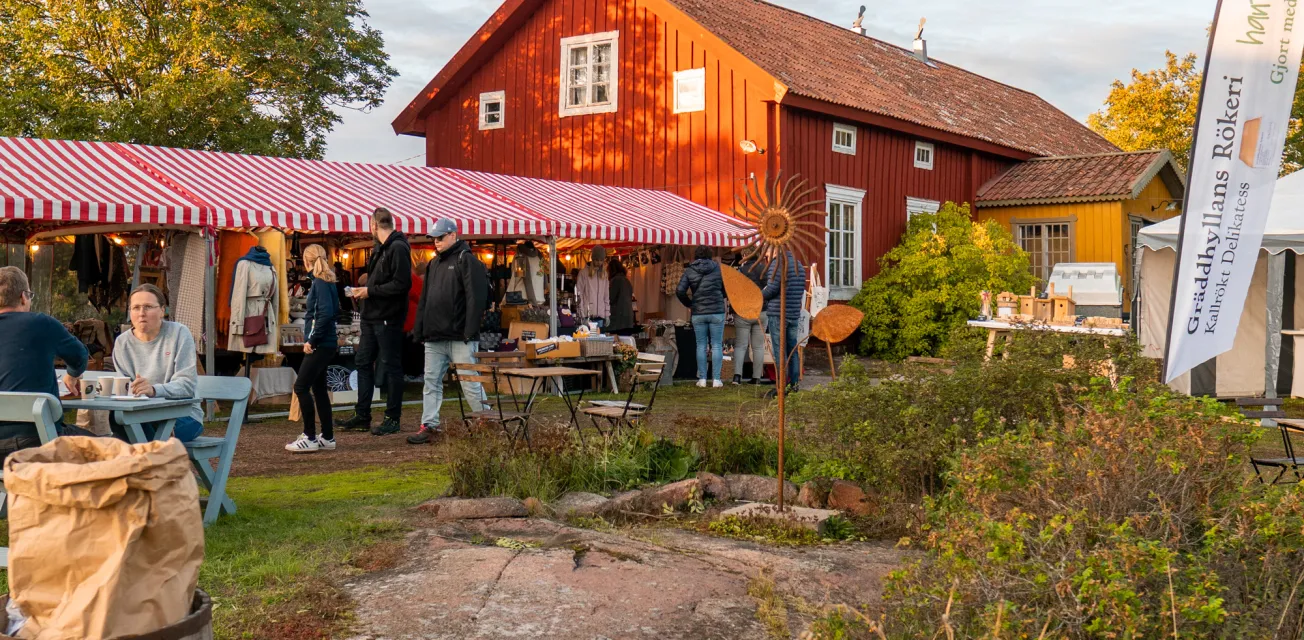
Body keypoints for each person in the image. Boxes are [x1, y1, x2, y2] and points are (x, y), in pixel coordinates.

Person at [408, 219, 491, 445]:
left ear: (453, 235)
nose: (436, 242)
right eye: (434, 238)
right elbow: (425, 299)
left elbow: (477, 298)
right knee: (432, 381)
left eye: (440, 237)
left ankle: (485, 419)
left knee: (469, 381)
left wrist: (470, 331)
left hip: (459, 336)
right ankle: (429, 424)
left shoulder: (467, 260)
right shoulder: (434, 264)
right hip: (436, 336)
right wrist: (420, 329)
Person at [0, 267, 90, 459]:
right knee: (115, 450)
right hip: (38, 442)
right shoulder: (41, 323)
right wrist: (72, 374)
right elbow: (80, 356)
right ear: (24, 297)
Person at [340, 208, 412, 436]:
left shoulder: (398, 248)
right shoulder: (380, 248)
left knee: (391, 365)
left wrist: (370, 291)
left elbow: (402, 284)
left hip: (388, 316)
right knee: (363, 361)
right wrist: (367, 291)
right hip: (372, 315)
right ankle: (362, 414)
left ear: (373, 225)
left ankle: (392, 417)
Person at [112, 284, 204, 442]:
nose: (141, 313)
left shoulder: (179, 334)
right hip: (141, 415)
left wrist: (153, 390)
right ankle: (153, 462)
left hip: (182, 415)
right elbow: (125, 388)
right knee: (116, 418)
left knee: (137, 434)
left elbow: (187, 385)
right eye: (136, 307)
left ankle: (151, 461)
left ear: (162, 310)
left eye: (148, 307)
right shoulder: (122, 343)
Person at [286, 245, 340, 453]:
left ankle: (309, 436)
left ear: (306, 262)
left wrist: (312, 340)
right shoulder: (327, 281)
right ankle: (327, 436)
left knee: (301, 387)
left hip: (321, 342)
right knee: (318, 388)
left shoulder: (320, 282)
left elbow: (325, 314)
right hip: (325, 342)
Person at [677, 246, 727, 388]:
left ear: (695, 256)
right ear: (710, 255)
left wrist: (690, 304)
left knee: (701, 345)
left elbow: (680, 291)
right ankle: (716, 380)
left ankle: (703, 379)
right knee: (717, 344)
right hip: (717, 311)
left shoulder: (689, 270)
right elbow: (726, 289)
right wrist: (719, 296)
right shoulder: (718, 269)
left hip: (698, 312)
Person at [763, 252, 807, 393]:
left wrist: (758, 296)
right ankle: (793, 384)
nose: (766, 254)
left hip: (778, 313)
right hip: (794, 313)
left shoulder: (777, 264)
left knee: (779, 351)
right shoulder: (798, 264)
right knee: (792, 350)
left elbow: (772, 288)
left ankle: (781, 386)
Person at [733, 256, 768, 385]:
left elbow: (734, 291)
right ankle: (757, 378)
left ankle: (737, 377)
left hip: (743, 311)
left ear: (744, 257)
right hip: (761, 311)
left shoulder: (741, 271)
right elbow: (769, 288)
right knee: (758, 347)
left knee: (741, 345)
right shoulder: (765, 270)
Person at [606, 259, 637, 336]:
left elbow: (610, 298)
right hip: (628, 319)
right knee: (625, 345)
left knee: (617, 345)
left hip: (618, 321)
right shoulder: (627, 281)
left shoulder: (615, 280)